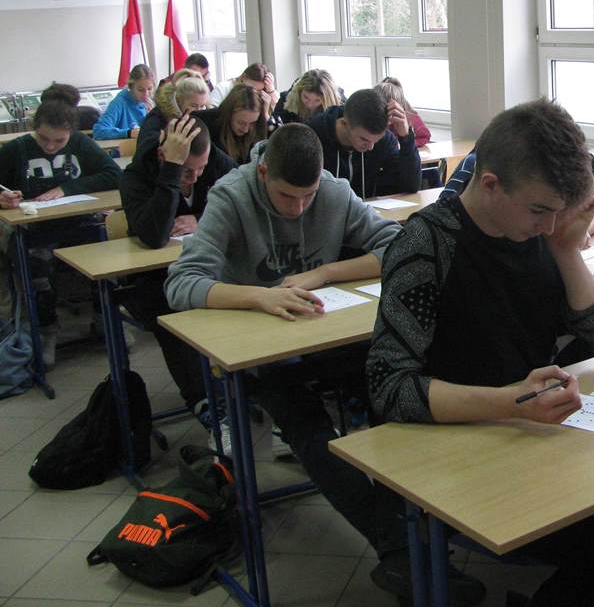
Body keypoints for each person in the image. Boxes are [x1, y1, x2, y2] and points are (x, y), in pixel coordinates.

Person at [367, 100, 594, 606]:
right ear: (490, 184)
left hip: (535, 431)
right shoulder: (426, 245)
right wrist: (510, 403)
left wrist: (567, 251)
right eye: (540, 211)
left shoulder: (536, 231)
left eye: (557, 213)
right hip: (463, 447)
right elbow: (389, 388)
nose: (550, 225)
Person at [163, 124, 423, 598]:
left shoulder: (334, 191)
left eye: (309, 196)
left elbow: (399, 247)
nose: (299, 207)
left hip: (328, 334)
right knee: (306, 425)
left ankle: (409, 531)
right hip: (262, 349)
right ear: (264, 173)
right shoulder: (231, 195)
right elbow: (181, 283)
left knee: (390, 394)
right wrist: (259, 297)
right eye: (287, 196)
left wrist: (325, 272)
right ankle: (399, 547)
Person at [119, 116, 235, 429]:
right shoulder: (135, 176)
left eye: (201, 169)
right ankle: (208, 405)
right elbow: (154, 235)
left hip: (209, 267)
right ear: (163, 155)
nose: (195, 178)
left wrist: (201, 217)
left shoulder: (216, 161)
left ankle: (254, 387)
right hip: (155, 278)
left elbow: (243, 201)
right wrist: (171, 173)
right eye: (186, 171)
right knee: (173, 315)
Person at [0, 97, 121, 365]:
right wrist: (3, 199)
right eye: (44, 139)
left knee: (107, 255)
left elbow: (114, 175)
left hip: (79, 222)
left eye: (59, 141)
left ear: (71, 132)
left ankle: (105, 318)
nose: (51, 146)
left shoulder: (80, 143)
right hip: (34, 230)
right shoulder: (16, 149)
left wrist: (67, 188)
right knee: (37, 266)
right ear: (34, 128)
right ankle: (46, 331)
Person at [440, 150, 594, 245]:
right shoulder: (479, 168)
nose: (549, 227)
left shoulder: (551, 170)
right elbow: (443, 219)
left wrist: (581, 233)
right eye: (537, 210)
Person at [308, 88, 421, 198]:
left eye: (375, 140)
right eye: (364, 139)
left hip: (364, 209)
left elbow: (411, 186)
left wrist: (405, 137)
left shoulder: (384, 140)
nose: (371, 147)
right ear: (344, 123)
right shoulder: (312, 135)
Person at [193, 83, 267, 165]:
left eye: (252, 123)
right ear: (228, 114)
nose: (246, 130)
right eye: (241, 123)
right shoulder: (202, 123)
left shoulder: (259, 129)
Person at [137, 69, 211, 149]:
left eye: (202, 106)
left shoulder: (206, 117)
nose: (199, 110)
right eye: (193, 105)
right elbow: (146, 150)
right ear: (179, 101)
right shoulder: (156, 118)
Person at [92, 64, 155, 139]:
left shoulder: (152, 103)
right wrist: (128, 133)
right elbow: (98, 131)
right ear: (131, 87)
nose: (146, 94)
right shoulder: (119, 102)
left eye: (150, 89)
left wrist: (153, 117)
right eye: (140, 90)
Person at [209, 62, 278, 120]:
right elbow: (211, 112)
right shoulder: (223, 88)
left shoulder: (264, 93)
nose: (254, 93)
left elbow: (276, 109)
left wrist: (271, 90)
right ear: (243, 77)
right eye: (251, 88)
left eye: (259, 90)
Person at [376, 76, 431, 148]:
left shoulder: (410, 116)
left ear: (400, 105)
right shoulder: (373, 119)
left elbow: (425, 136)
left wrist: (404, 143)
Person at [273, 69, 343, 124]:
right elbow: (275, 130)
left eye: (317, 100)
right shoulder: (286, 101)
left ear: (327, 99)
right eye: (305, 97)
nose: (310, 105)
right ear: (299, 92)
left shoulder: (339, 109)